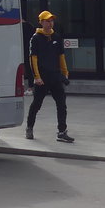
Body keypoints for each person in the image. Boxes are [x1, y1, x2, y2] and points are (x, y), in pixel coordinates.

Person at [26, 10, 74, 143]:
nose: (50, 23)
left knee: (61, 104)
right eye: (47, 20)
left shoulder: (57, 38)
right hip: (42, 78)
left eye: (51, 20)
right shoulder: (35, 38)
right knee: (37, 104)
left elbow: (61, 57)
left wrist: (65, 73)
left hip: (55, 77)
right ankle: (29, 127)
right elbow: (33, 59)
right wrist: (37, 77)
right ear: (41, 22)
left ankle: (62, 131)